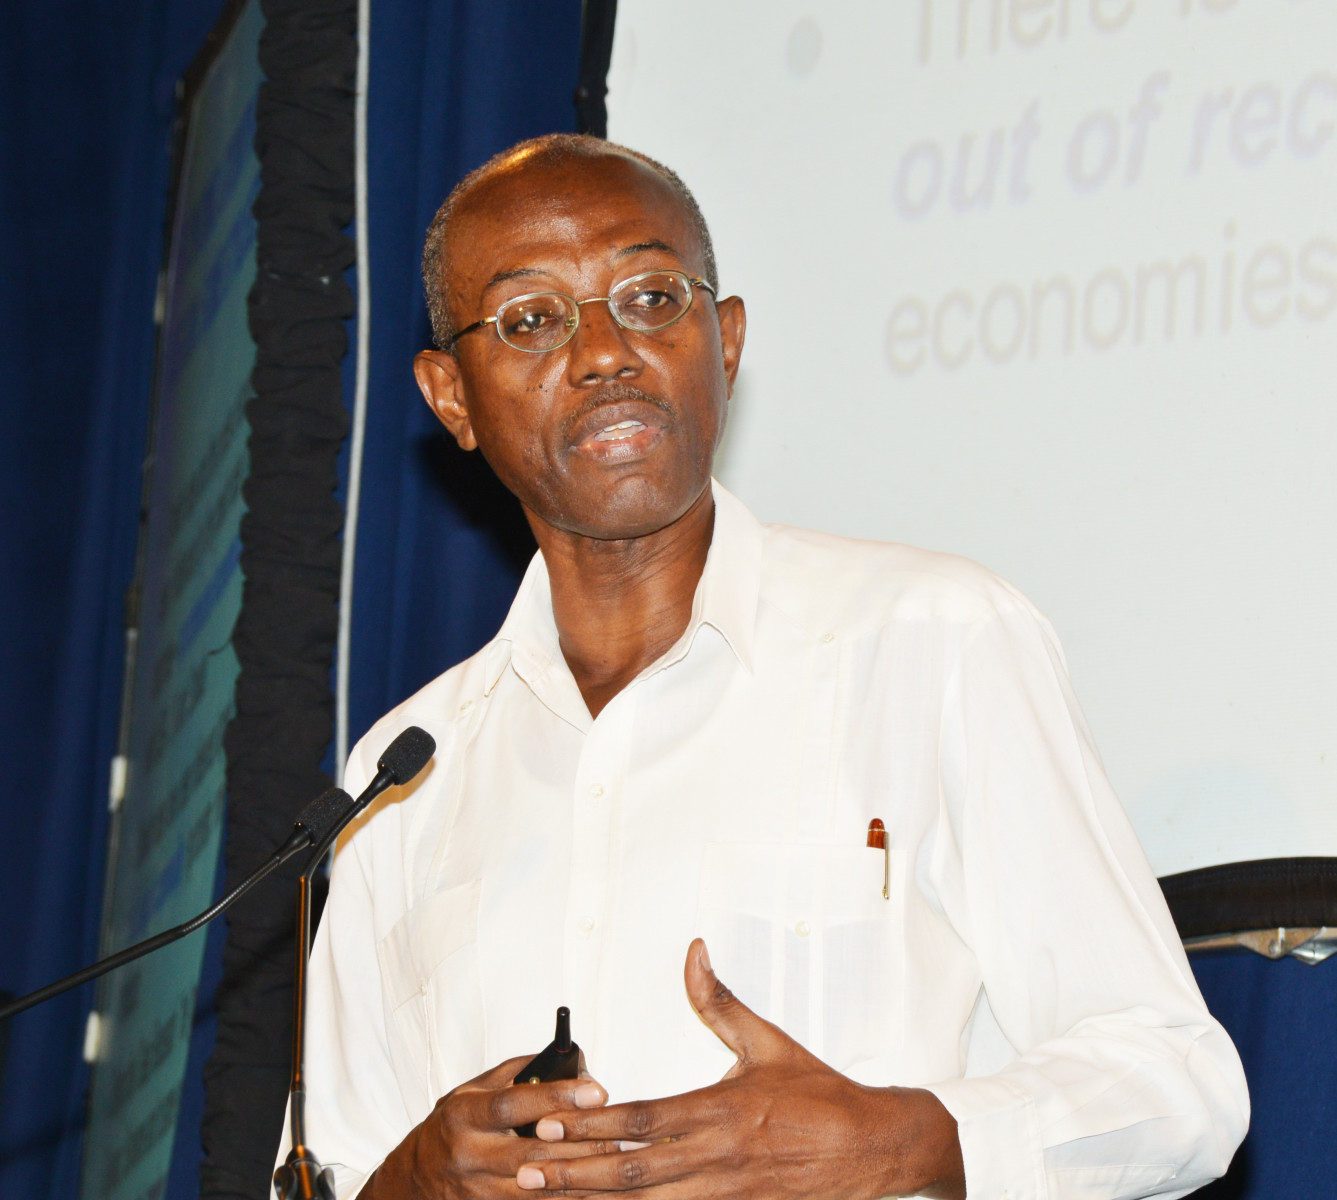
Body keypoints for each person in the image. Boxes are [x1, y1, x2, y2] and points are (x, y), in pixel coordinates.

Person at [288, 134, 1248, 1199]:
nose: (603, 352)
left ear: (726, 341)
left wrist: (899, 1142)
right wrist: (412, 1181)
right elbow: (333, 1160)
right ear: (451, 398)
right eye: (530, 319)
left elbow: (1176, 1085)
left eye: (651, 298)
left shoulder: (932, 640)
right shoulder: (403, 775)